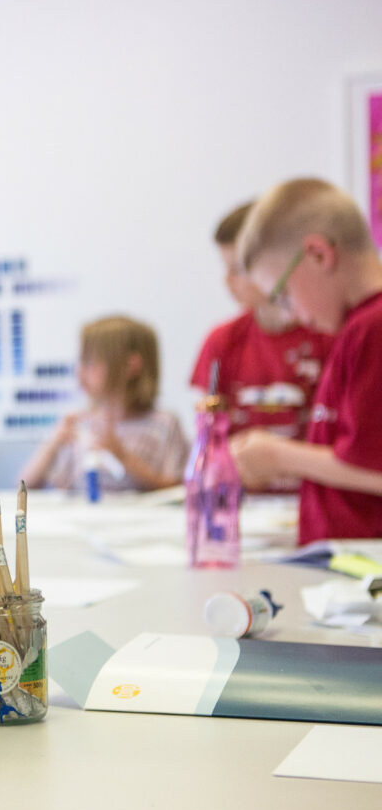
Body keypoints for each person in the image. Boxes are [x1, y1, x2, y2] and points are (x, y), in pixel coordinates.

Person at [230, 177, 382, 543]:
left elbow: (373, 469)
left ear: (317, 254)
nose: (291, 315)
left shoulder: (372, 327)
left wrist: (278, 456)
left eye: (283, 296)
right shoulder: (355, 328)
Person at [190, 200, 332, 442]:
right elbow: (209, 435)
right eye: (225, 268)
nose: (227, 281)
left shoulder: (328, 334)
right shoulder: (222, 340)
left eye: (237, 269)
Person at [19, 315, 189, 493]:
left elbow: (177, 490)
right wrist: (53, 443)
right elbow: (24, 488)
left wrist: (122, 456)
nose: (80, 371)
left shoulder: (164, 424)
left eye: (91, 362)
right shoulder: (80, 424)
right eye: (81, 361)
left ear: (131, 365)